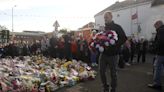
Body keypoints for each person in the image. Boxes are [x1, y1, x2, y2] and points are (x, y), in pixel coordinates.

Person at [99, 11, 127, 92]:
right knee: (101, 71)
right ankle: (105, 87)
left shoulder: (117, 27)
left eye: (106, 17)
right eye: (104, 17)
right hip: (103, 54)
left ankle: (113, 88)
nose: (105, 19)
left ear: (111, 17)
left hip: (114, 55)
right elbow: (101, 39)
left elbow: (124, 38)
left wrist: (114, 44)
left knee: (113, 73)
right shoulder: (103, 28)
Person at [148, 20, 164, 91]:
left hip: (161, 53)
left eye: (155, 27)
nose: (155, 28)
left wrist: (153, 48)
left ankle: (157, 84)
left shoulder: (160, 30)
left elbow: (160, 41)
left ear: (158, 25)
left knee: (157, 68)